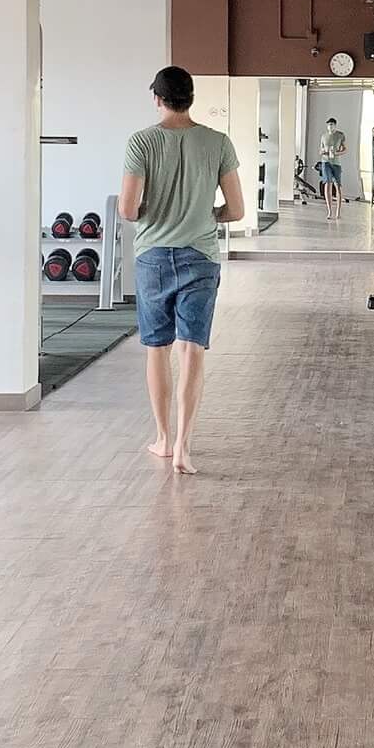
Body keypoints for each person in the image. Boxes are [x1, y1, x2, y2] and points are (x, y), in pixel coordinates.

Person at [121, 66, 242, 475]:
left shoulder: (141, 142)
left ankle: (163, 439)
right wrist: (204, 215)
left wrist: (156, 212)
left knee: (157, 349)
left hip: (153, 257)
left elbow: (128, 210)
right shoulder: (218, 142)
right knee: (192, 351)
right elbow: (237, 210)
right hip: (201, 256)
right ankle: (185, 448)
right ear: (190, 99)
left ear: (157, 98)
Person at [319, 116, 349, 225]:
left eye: (332, 124)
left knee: (338, 186)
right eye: (328, 125)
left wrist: (337, 153)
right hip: (325, 162)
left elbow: (345, 149)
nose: (330, 126)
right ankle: (329, 210)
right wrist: (323, 152)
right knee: (327, 184)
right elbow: (320, 150)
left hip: (336, 163)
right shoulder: (323, 136)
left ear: (335, 125)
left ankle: (338, 212)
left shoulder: (340, 135)